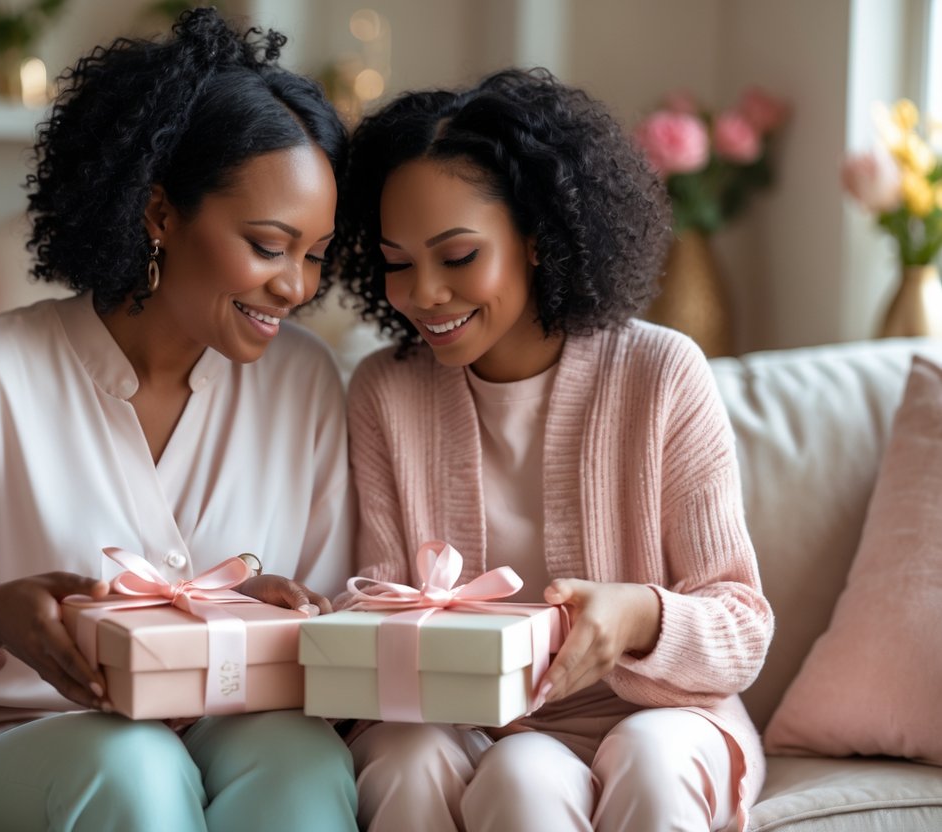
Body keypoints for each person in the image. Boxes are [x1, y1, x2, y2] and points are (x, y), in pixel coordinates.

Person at [0, 10, 357, 832]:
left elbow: (331, 638)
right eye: (268, 245)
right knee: (136, 766)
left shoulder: (306, 379)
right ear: (159, 213)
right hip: (24, 746)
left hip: (233, 725)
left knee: (304, 758)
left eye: (315, 254)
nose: (296, 286)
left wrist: (265, 615)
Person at [330, 68, 774, 832]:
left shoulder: (661, 372)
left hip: (663, 718)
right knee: (502, 773)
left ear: (537, 239)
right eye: (397, 263)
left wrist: (637, 615)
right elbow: (375, 607)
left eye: (457, 256)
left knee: (649, 759)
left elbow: (740, 631)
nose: (423, 293)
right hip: (473, 727)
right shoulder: (384, 391)